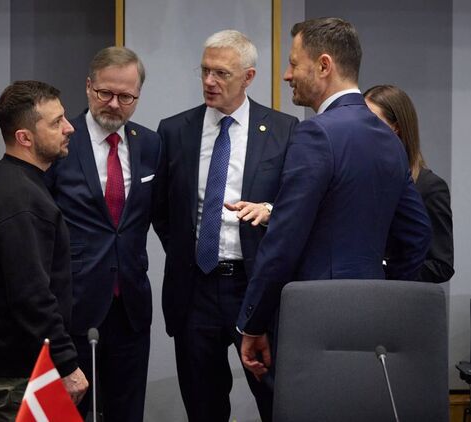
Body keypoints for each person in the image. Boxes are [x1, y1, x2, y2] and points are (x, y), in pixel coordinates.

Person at [237, 18, 432, 383]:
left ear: (324, 65)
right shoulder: (389, 139)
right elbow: (417, 235)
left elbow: (284, 239)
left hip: (315, 322)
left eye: (294, 64)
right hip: (373, 316)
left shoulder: (316, 133)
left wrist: (253, 321)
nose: (286, 75)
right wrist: (383, 288)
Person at [153, 30, 298, 422]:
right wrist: (189, 251)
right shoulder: (174, 130)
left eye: (221, 73)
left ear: (248, 77)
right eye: (205, 71)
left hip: (254, 286)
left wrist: (268, 209)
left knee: (275, 399)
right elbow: (163, 210)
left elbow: (295, 205)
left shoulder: (284, 130)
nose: (209, 81)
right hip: (194, 289)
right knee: (203, 405)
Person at [45, 47, 159, 422]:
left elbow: (162, 218)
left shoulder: (151, 144)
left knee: (128, 413)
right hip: (74, 305)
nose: (113, 104)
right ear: (88, 86)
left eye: (125, 97)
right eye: (105, 92)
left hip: (130, 306)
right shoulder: (62, 142)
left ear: (138, 96)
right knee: (69, 414)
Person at [0, 80, 88, 421]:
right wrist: (66, 363)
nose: (69, 128)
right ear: (25, 137)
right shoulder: (18, 198)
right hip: (23, 373)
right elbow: (31, 295)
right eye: (56, 122)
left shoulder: (15, 183)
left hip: (21, 365)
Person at [364, 84, 455, 283]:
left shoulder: (430, 187)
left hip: (399, 295)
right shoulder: (362, 179)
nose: (362, 128)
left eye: (371, 120)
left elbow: (441, 265)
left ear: (395, 127)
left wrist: (386, 270)